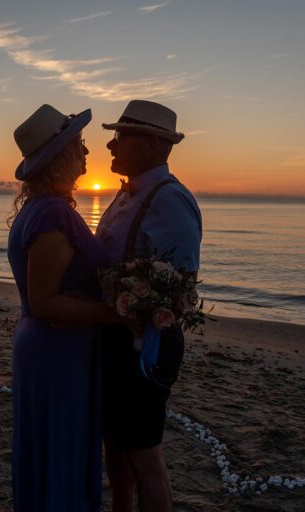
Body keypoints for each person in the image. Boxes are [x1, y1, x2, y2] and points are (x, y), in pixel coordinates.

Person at [7, 104, 130, 512]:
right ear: (60, 155)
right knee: (61, 449)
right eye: (78, 143)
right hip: (57, 350)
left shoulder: (41, 208)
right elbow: (45, 302)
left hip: (49, 347)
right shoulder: (52, 214)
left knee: (52, 450)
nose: (87, 151)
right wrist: (114, 313)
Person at [96, 100, 202, 512]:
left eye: (122, 136)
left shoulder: (170, 200)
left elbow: (178, 287)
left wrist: (137, 313)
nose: (111, 144)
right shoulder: (125, 195)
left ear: (155, 144)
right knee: (115, 447)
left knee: (144, 454)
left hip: (146, 346)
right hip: (114, 339)